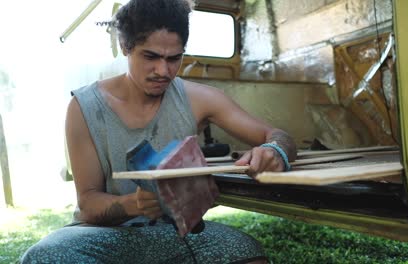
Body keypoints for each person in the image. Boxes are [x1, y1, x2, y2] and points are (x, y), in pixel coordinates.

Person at [21, 0, 296, 263]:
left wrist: (275, 150)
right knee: (43, 256)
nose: (163, 71)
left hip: (175, 236)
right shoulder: (84, 108)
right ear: (125, 46)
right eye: (150, 57)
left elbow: (277, 134)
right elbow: (88, 203)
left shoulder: (199, 98)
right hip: (104, 238)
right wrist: (134, 204)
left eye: (174, 58)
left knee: (245, 251)